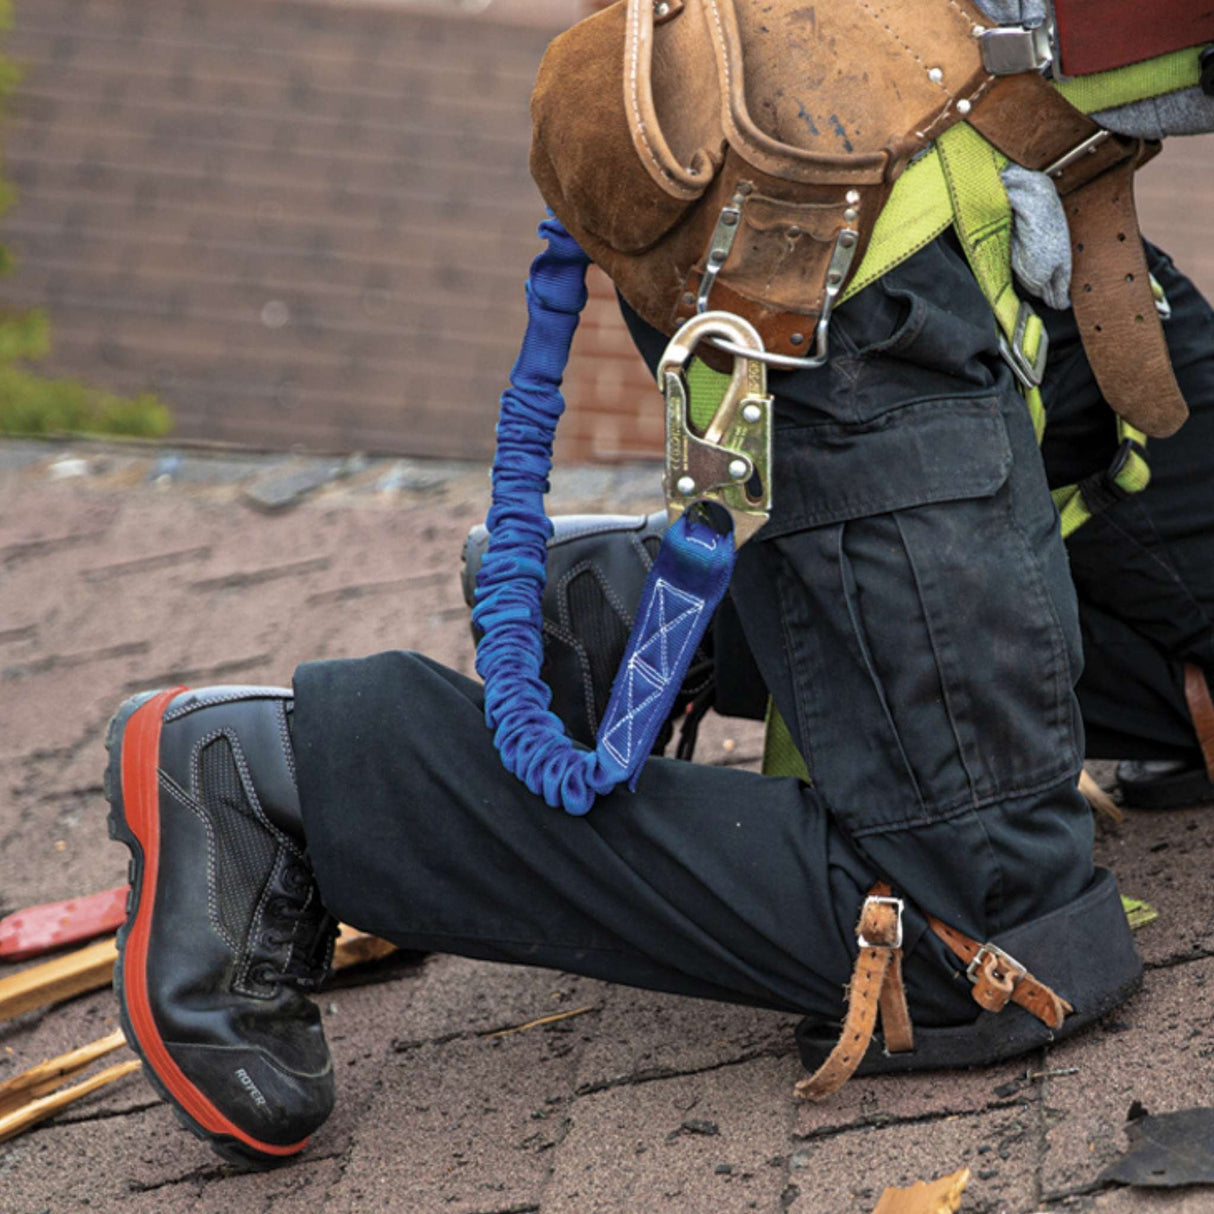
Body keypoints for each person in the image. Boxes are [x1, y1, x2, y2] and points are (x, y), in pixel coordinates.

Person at [102, 1, 1214, 1167]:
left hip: (1015, 181)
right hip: (839, 222)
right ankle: (292, 783)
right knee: (993, 934)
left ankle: (638, 619)